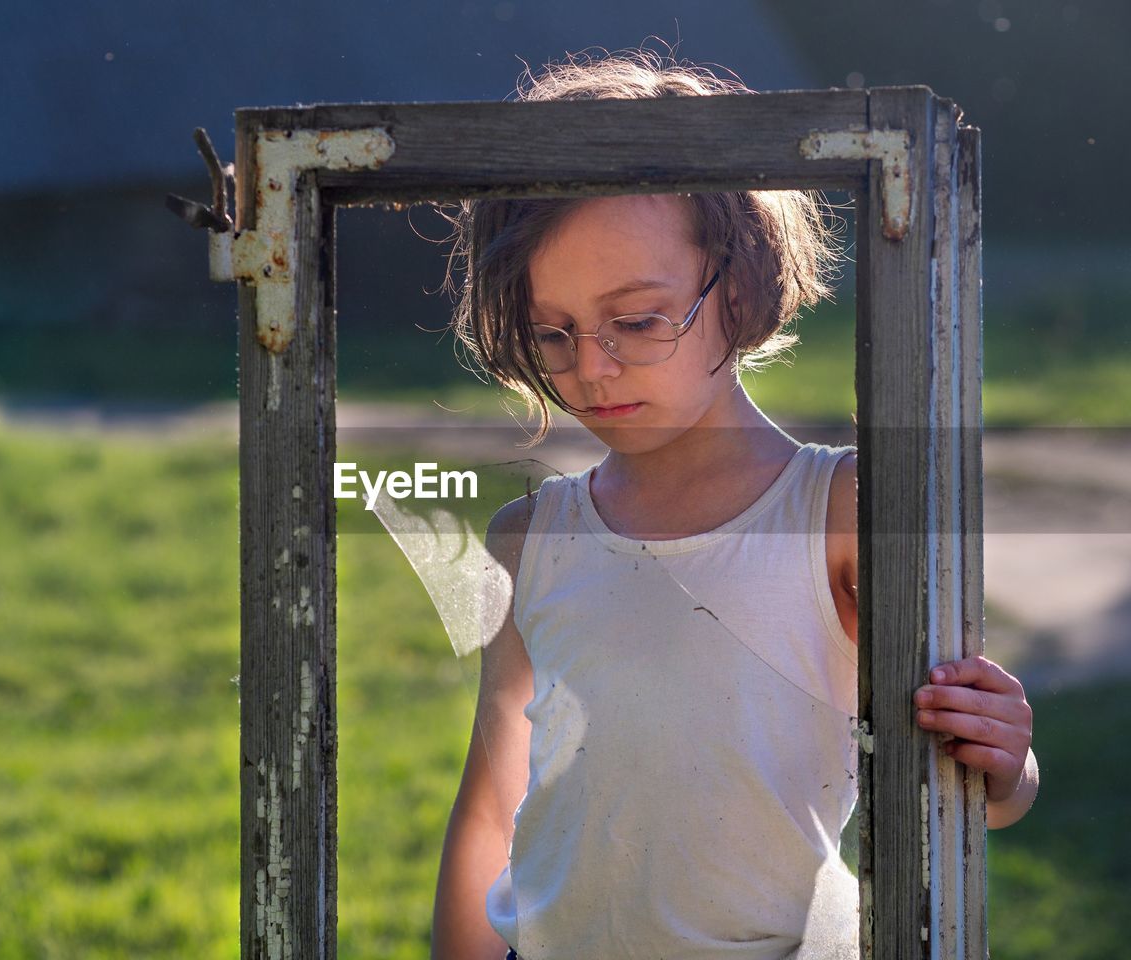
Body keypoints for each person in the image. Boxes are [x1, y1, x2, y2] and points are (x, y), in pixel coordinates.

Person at [429, 49, 1039, 960]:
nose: (591, 368)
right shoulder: (529, 540)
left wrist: (1008, 760)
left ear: (741, 289)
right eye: (553, 332)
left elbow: (970, 784)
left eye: (636, 320)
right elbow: (491, 798)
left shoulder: (840, 511)